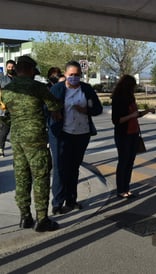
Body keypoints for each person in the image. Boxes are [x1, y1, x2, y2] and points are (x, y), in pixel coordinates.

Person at [1, 55, 62, 232]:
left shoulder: (7, 89)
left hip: (17, 139)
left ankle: (25, 217)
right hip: (35, 139)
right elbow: (55, 109)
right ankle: (42, 218)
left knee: (21, 177)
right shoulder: (38, 87)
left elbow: (5, 114)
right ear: (28, 70)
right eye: (33, 72)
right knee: (41, 176)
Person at [48, 60, 103, 214]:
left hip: (81, 134)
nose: (74, 77)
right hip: (61, 134)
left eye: (77, 75)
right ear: (65, 75)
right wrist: (54, 112)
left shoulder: (86, 89)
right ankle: (57, 203)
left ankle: (71, 200)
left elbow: (97, 108)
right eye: (71, 75)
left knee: (73, 168)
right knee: (60, 168)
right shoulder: (57, 89)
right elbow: (46, 108)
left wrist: (86, 109)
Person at [111, 75, 155, 198]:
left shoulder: (131, 97)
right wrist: (131, 116)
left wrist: (147, 111)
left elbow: (136, 115)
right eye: (133, 86)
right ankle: (121, 189)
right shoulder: (118, 99)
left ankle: (126, 187)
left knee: (130, 162)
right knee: (123, 161)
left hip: (134, 133)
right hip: (123, 135)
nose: (134, 88)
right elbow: (116, 120)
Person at [0, 60, 16, 157]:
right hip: (4, 108)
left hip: (17, 108)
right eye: (9, 67)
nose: (11, 68)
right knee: (5, 129)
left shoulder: (18, 79)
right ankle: (1, 148)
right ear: (6, 67)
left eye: (12, 67)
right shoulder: (2, 79)